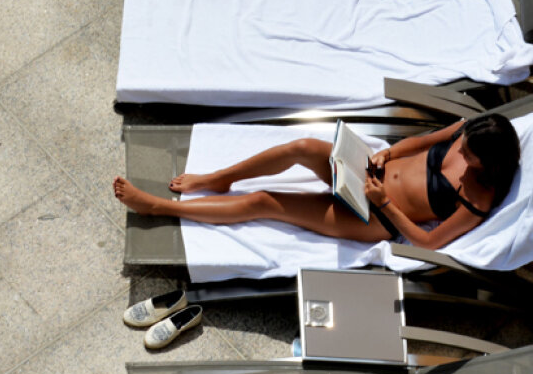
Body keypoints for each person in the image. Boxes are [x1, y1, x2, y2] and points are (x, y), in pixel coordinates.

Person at [112, 114, 520, 249]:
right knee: (303, 145)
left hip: (371, 215)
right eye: (465, 144)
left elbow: (428, 241)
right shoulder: (468, 131)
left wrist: (382, 203)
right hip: (368, 171)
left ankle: (158, 207)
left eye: (470, 155)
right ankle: (218, 179)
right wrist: (389, 153)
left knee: (265, 203)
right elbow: (422, 141)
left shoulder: (479, 197)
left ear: (491, 164)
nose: (462, 152)